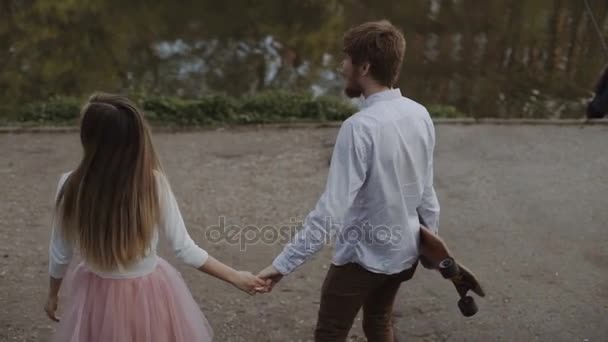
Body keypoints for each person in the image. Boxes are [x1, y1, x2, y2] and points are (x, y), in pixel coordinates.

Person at [258, 20, 440, 342]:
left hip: (363, 259)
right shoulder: (419, 113)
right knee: (379, 322)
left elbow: (331, 211)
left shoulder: (359, 127)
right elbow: (425, 191)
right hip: (404, 251)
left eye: (346, 59)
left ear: (364, 67)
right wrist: (430, 240)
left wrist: (282, 265)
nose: (342, 67)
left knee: (330, 332)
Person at [44, 93, 267, 342]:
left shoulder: (70, 184)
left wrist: (53, 294)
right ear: (135, 139)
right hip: (148, 293)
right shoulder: (153, 184)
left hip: (95, 294)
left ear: (88, 138)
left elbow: (60, 252)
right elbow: (185, 249)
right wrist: (235, 276)